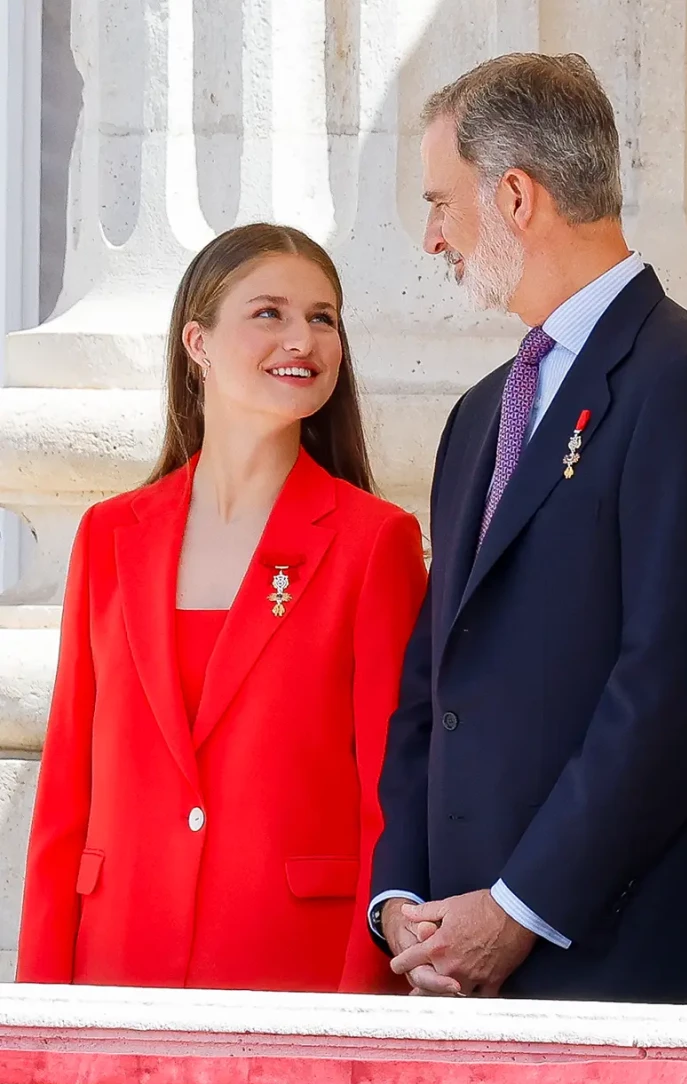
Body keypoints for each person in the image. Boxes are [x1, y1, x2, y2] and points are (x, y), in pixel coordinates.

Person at [369, 53, 687, 1005]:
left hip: (630, 982)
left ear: (515, 195)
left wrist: (515, 912)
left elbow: (675, 689)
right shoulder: (480, 414)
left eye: (441, 202)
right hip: (467, 983)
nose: (432, 238)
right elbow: (437, 682)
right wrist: (402, 896)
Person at [16, 223, 426, 993]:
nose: (302, 337)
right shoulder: (110, 537)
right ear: (196, 342)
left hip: (295, 982)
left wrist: (364, 1016)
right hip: (116, 974)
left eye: (323, 317)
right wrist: (43, 1010)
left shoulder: (376, 543)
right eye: (268, 312)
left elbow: (391, 799)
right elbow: (66, 798)